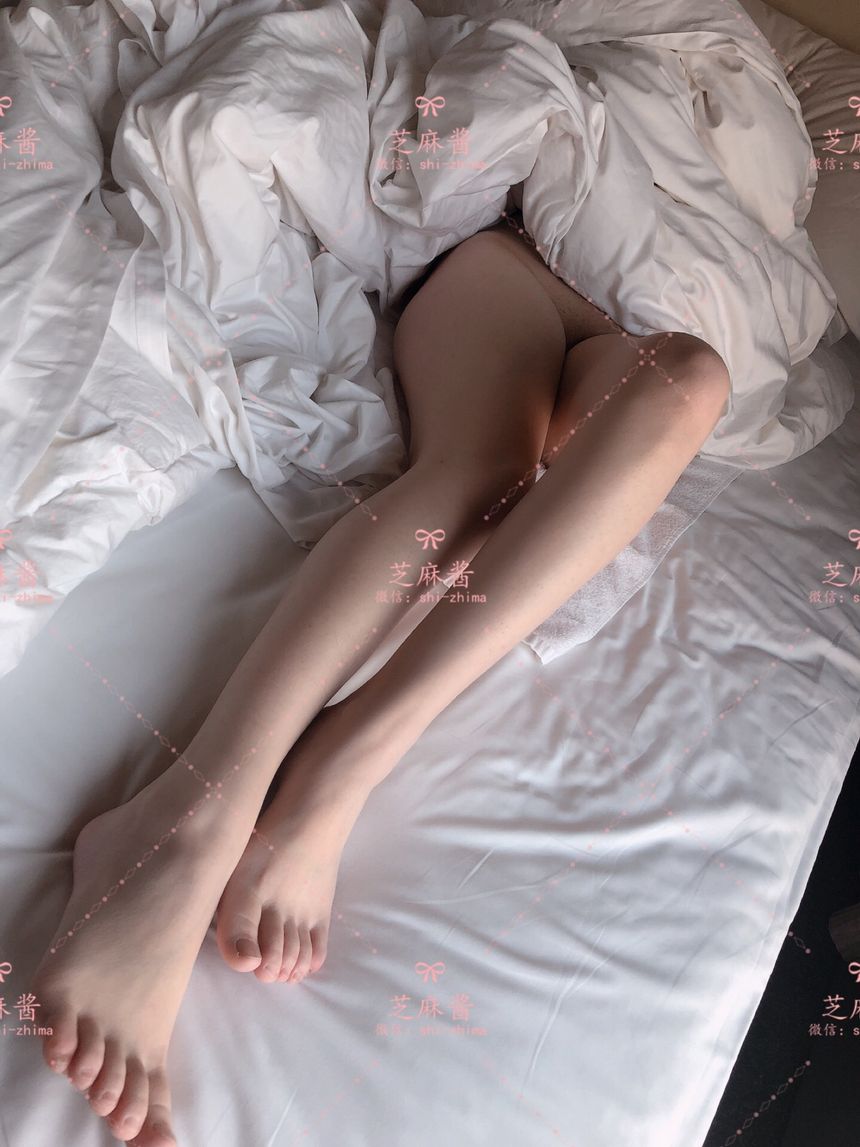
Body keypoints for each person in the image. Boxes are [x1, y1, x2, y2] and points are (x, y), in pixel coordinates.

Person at [31, 210, 731, 1145]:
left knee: (696, 378)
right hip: (515, 271)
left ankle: (339, 766)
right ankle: (194, 813)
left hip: (637, 341)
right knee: (484, 477)